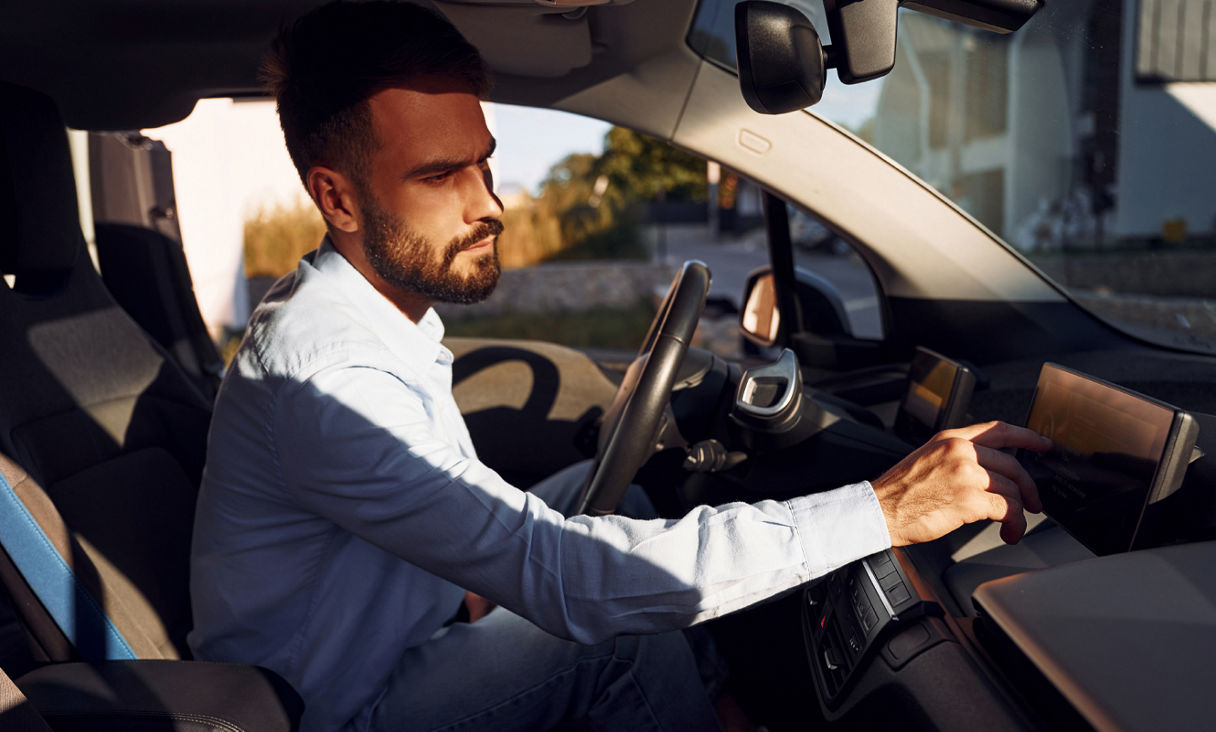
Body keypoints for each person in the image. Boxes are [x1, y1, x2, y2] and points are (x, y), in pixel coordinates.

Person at [188, 2, 1050, 731]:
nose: (488, 203)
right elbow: (577, 585)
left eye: (483, 161)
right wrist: (885, 508)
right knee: (614, 626)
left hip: (389, 637)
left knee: (616, 495)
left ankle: (715, 692)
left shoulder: (365, 321)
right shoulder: (327, 377)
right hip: (336, 708)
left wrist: (478, 588)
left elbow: (469, 532)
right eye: (440, 174)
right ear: (337, 197)